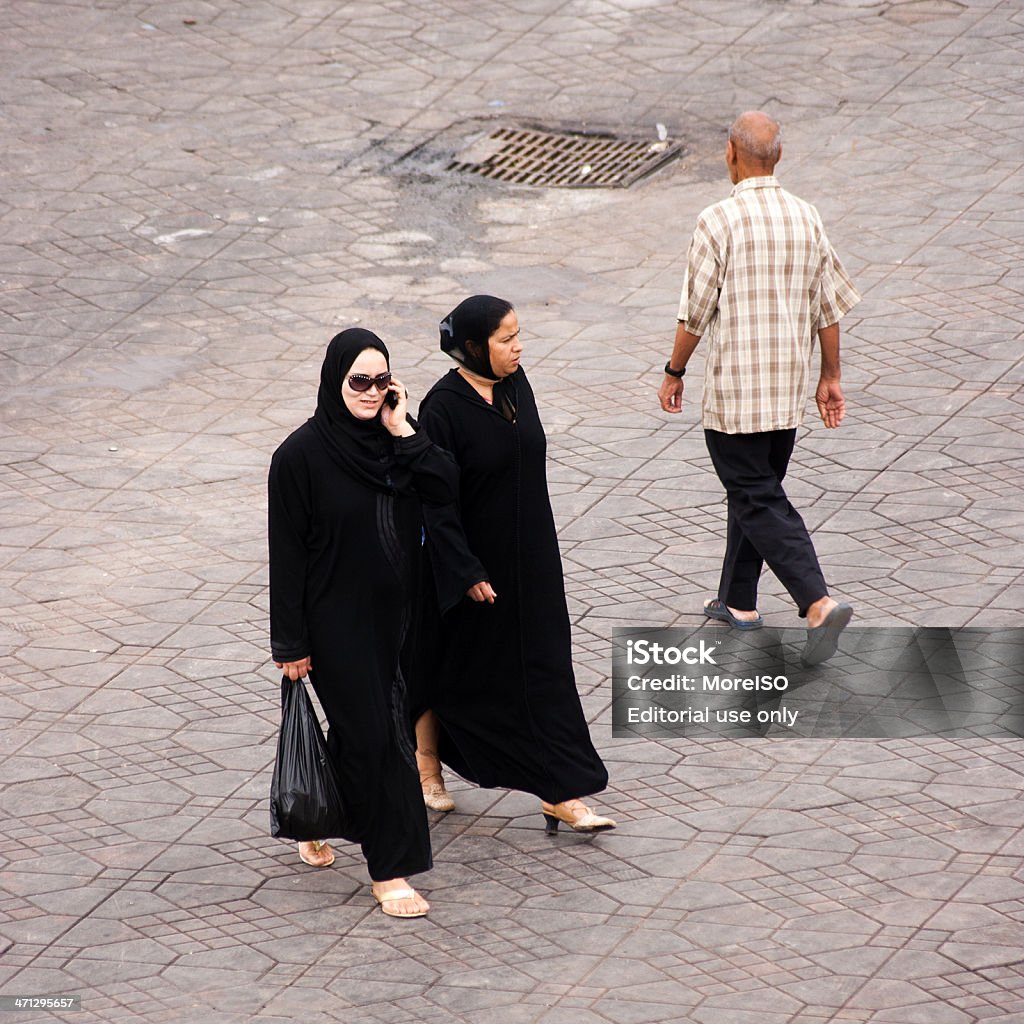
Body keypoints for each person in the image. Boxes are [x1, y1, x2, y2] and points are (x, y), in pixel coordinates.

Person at [658, 111, 861, 666]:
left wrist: (674, 371)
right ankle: (739, 602)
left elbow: (695, 313)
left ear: (730, 153)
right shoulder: (807, 217)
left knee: (757, 497)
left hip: (735, 397)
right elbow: (830, 307)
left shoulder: (717, 220)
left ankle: (816, 602)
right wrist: (831, 377)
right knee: (754, 493)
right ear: (779, 156)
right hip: (786, 393)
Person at [268, 328, 458, 918]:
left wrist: (404, 429)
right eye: (360, 381)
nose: (372, 392)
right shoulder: (298, 457)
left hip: (399, 621)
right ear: (334, 380)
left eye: (382, 381)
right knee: (381, 738)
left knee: (362, 731)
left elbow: (446, 485)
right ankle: (390, 870)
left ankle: (317, 814)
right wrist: (290, 642)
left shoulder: (395, 443)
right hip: (335, 626)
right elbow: (288, 556)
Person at [412, 295, 615, 834]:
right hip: (475, 569)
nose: (518, 346)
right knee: (451, 671)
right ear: (474, 347)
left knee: (547, 667)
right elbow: (436, 501)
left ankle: (560, 790)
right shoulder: (443, 408)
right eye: (506, 339)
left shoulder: (516, 386)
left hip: (533, 560)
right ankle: (426, 765)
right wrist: (466, 569)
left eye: (518, 334)